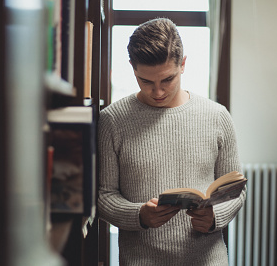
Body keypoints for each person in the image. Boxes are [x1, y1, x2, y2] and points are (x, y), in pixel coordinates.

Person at [98, 18, 246, 265]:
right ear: (133, 68)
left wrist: (214, 217)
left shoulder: (217, 116)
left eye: (167, 79)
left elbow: (236, 192)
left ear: (183, 64)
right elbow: (104, 196)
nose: (157, 92)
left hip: (207, 259)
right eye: (146, 81)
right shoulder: (112, 120)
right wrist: (140, 216)